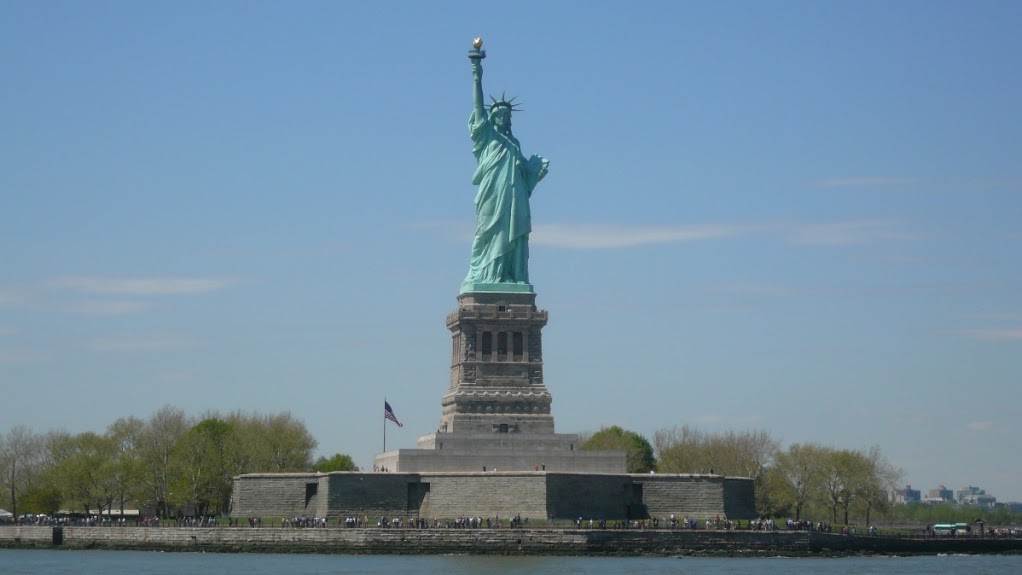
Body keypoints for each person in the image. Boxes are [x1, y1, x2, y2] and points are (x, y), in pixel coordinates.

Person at [462, 53, 549, 290]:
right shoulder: (486, 136)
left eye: (506, 116)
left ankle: (508, 274)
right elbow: (478, 107)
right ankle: (485, 274)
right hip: (492, 193)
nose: (503, 118)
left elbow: (523, 174)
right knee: (487, 232)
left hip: (514, 196)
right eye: (498, 115)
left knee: (513, 234)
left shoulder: (515, 144)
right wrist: (476, 75)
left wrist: (534, 173)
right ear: (492, 117)